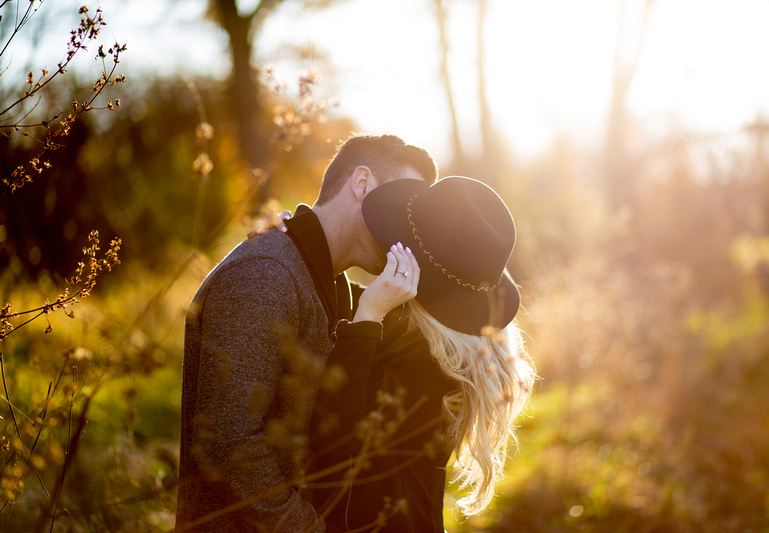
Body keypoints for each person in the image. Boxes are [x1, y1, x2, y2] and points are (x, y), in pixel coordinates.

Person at [176, 134, 437, 532]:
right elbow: (228, 441)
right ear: (362, 183)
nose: (405, 228)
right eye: (401, 205)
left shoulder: (339, 289)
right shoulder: (264, 274)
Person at [307, 176, 537, 532]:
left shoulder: (429, 370)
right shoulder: (424, 334)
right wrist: (296, 242)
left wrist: (369, 313)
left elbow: (335, 447)